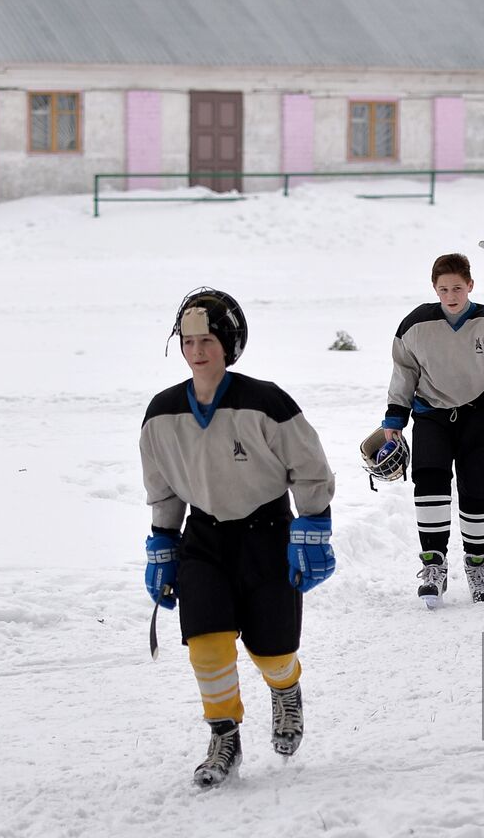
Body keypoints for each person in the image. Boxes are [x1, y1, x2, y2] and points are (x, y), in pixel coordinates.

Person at [139, 288, 337, 790]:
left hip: (267, 534)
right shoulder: (161, 414)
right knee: (206, 645)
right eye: (188, 342)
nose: (197, 351)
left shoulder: (266, 403)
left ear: (229, 344)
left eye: (207, 340)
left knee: (272, 651)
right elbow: (163, 487)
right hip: (203, 539)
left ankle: (285, 689)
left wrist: (313, 526)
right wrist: (162, 542)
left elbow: (309, 467)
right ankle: (224, 736)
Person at [381, 253, 484, 608]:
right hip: (431, 416)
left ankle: (477, 565)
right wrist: (394, 419)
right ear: (434, 289)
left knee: (478, 491)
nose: (450, 295)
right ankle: (433, 565)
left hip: (478, 415)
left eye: (457, 287)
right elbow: (404, 374)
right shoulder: (415, 325)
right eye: (443, 289)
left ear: (470, 285)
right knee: (429, 486)